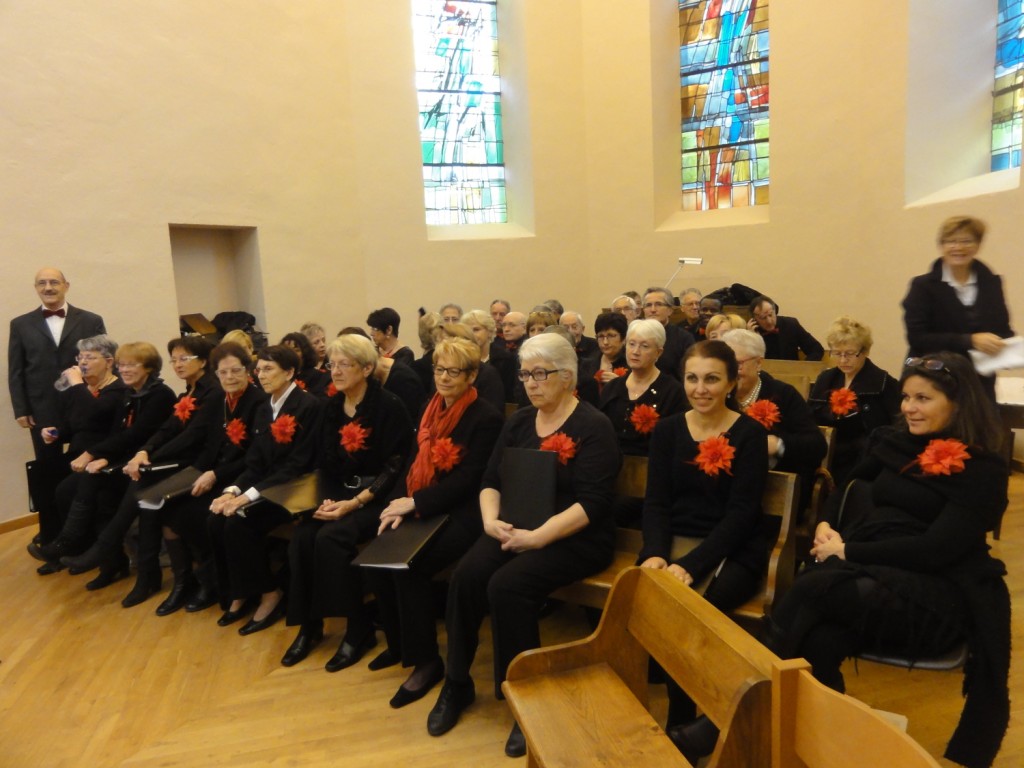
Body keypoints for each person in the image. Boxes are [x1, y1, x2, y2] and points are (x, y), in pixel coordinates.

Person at [767, 353, 1010, 768]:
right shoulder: (893, 442)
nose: (909, 408)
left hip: (939, 590)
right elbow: (844, 485)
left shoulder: (983, 468)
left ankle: (745, 708)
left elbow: (936, 549)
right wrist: (826, 522)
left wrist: (847, 550)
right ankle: (826, 736)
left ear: (957, 404)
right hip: (878, 569)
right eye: (906, 397)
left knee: (812, 586)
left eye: (923, 399)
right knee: (818, 641)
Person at [426, 334, 621, 758]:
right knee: (467, 576)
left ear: (568, 378)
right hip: (514, 527)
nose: (530, 384)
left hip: (577, 537)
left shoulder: (593, 426)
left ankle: (524, 698)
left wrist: (538, 537)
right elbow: (491, 480)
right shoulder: (518, 422)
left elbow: (594, 503)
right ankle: (456, 683)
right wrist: (491, 522)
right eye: (525, 374)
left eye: (540, 374)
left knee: (507, 586)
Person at [638, 340, 769, 761]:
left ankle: (687, 717)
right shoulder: (668, 429)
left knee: (690, 609)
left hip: (733, 548)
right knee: (644, 590)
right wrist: (657, 552)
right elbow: (656, 501)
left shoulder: (748, 434)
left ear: (731, 382)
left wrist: (689, 566)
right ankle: (671, 706)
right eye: (692, 378)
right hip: (675, 542)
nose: (701, 388)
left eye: (712, 379)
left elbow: (742, 516)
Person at [365, 338, 503, 707]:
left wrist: (414, 504)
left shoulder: (485, 417)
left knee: (410, 566)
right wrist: (394, 502)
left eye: (453, 371)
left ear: (471, 375)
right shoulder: (430, 407)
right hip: (424, 504)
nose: (443, 377)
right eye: (439, 369)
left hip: (464, 512)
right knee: (379, 554)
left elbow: (471, 478)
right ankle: (400, 646)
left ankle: (427, 663)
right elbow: (412, 461)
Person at [282, 334, 413, 669]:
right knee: (303, 537)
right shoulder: (330, 406)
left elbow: (396, 466)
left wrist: (354, 503)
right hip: (338, 492)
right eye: (332, 364)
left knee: (332, 538)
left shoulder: (388, 406)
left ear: (367, 368)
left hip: (377, 497)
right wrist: (325, 502)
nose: (335, 371)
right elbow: (323, 460)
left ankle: (358, 628)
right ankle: (309, 627)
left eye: (344, 364)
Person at [59, 336, 220, 589]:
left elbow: (192, 436)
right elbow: (166, 430)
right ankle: (125, 565)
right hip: (165, 459)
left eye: (184, 359)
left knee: (144, 490)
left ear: (203, 362)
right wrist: (144, 452)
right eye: (174, 359)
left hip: (198, 464)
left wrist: (147, 456)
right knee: (107, 490)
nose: (177, 364)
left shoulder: (207, 392)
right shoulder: (186, 391)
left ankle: (115, 555)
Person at [207, 345, 322, 635]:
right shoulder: (264, 407)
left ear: (290, 372)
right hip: (267, 484)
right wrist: (232, 491)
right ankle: (240, 590)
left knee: (239, 523)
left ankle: (270, 592)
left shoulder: (308, 406)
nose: (261, 375)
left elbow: (297, 466)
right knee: (215, 518)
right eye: (259, 369)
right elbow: (255, 461)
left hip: (294, 488)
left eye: (268, 369)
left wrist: (248, 496)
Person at [34, 342, 176, 576]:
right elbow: (117, 433)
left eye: (131, 365)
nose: (125, 370)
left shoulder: (158, 394)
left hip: (149, 462)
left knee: (94, 485)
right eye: (123, 365)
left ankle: (84, 549)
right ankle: (98, 558)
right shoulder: (132, 392)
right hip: (123, 457)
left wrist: (96, 454)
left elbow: (135, 434)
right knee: (72, 485)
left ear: (149, 367)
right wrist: (100, 456)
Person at [9, 268, 106, 548]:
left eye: (54, 282)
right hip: (43, 409)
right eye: (42, 282)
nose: (48, 287)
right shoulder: (20, 324)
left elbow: (104, 360)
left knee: (84, 463)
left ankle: (85, 532)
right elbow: (16, 371)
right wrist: (21, 409)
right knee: (47, 470)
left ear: (66, 285)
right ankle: (53, 532)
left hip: (84, 404)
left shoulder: (91, 320)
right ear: (35, 287)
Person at [26, 335, 124, 570]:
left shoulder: (117, 390)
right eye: (80, 357)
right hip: (77, 453)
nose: (82, 363)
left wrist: (78, 384)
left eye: (90, 357)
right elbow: (73, 425)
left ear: (109, 362)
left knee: (64, 490)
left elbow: (97, 415)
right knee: (42, 479)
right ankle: (54, 546)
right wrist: (56, 433)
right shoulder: (82, 390)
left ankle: (75, 547)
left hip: (103, 456)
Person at [902, 216, 1014, 400]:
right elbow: (917, 338)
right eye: (951, 241)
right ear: (941, 245)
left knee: (982, 428)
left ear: (978, 245)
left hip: (979, 383)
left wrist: (1010, 348)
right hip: (934, 380)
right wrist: (970, 340)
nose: (958, 247)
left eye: (966, 241)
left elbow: (1002, 330)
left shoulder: (992, 283)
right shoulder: (923, 286)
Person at [722, 329, 827, 499]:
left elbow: (817, 445)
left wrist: (778, 444)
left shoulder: (783, 394)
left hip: (773, 490)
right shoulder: (719, 395)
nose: (731, 371)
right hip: (726, 487)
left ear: (758, 363)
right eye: (726, 363)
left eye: (738, 363)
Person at [807, 317, 900, 487]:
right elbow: (811, 416)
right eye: (836, 353)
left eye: (850, 354)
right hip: (829, 451)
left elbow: (894, 426)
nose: (842, 360)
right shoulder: (826, 378)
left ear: (864, 352)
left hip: (863, 456)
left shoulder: (883, 382)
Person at [599, 319, 686, 457]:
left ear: (658, 352)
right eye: (631, 344)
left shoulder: (673, 391)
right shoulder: (612, 388)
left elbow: (675, 441)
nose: (635, 351)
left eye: (644, 346)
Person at [746, 295, 824, 361]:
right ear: (754, 319)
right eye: (763, 318)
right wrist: (751, 339)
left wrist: (802, 368)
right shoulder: (752, 332)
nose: (769, 321)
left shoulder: (791, 325)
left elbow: (817, 350)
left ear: (775, 311)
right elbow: (748, 362)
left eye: (770, 315)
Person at [642, 286, 695, 380]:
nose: (653, 309)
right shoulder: (636, 336)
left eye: (658, 304)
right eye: (648, 305)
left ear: (670, 310)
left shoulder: (684, 338)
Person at [588, 311, 629, 396]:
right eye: (601, 336)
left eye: (611, 336)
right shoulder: (588, 363)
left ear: (624, 338)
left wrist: (621, 385)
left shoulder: (632, 363)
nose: (605, 342)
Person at [281, 331, 331, 396]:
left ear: (305, 353)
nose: (290, 354)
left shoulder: (320, 378)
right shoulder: (281, 377)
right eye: (286, 351)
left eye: (296, 350)